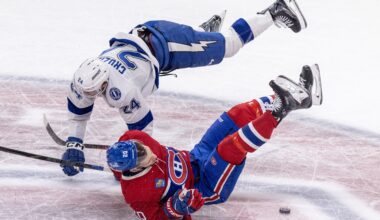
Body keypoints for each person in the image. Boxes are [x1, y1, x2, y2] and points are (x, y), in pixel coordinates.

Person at [61, 0, 308, 176]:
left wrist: (133, 159)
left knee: (230, 46)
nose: (92, 96)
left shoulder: (122, 89)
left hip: (168, 45)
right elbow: (79, 110)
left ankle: (274, 12)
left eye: (96, 91)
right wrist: (74, 143)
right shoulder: (84, 78)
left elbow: (143, 127)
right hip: (147, 43)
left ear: (105, 81)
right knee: (207, 43)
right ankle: (203, 34)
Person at [106, 65, 323, 220]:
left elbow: (120, 167)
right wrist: (178, 207)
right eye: (142, 156)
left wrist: (114, 167)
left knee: (235, 116)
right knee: (230, 147)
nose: (147, 152)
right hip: (206, 185)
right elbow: (157, 217)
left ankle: (297, 99)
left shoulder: (133, 139)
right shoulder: (136, 194)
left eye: (141, 148)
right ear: (135, 168)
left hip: (196, 155)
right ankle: (280, 110)